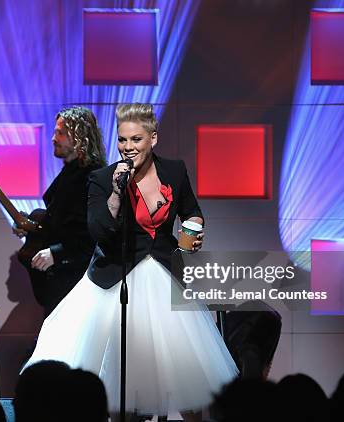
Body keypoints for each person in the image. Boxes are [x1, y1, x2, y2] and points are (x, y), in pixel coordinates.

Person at [22, 103, 238, 421]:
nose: (128, 147)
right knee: (115, 383)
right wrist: (115, 194)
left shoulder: (174, 171)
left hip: (163, 276)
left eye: (136, 140)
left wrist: (192, 232)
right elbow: (98, 230)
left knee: (185, 378)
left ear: (153, 139)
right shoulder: (102, 178)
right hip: (114, 277)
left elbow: (191, 210)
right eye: (123, 140)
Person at [13, 106, 106, 317]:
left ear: (79, 137)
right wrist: (29, 227)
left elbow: (92, 235)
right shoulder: (70, 173)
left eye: (60, 133)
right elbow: (61, 222)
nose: (54, 138)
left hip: (78, 283)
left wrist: (57, 253)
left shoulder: (92, 177)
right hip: (63, 280)